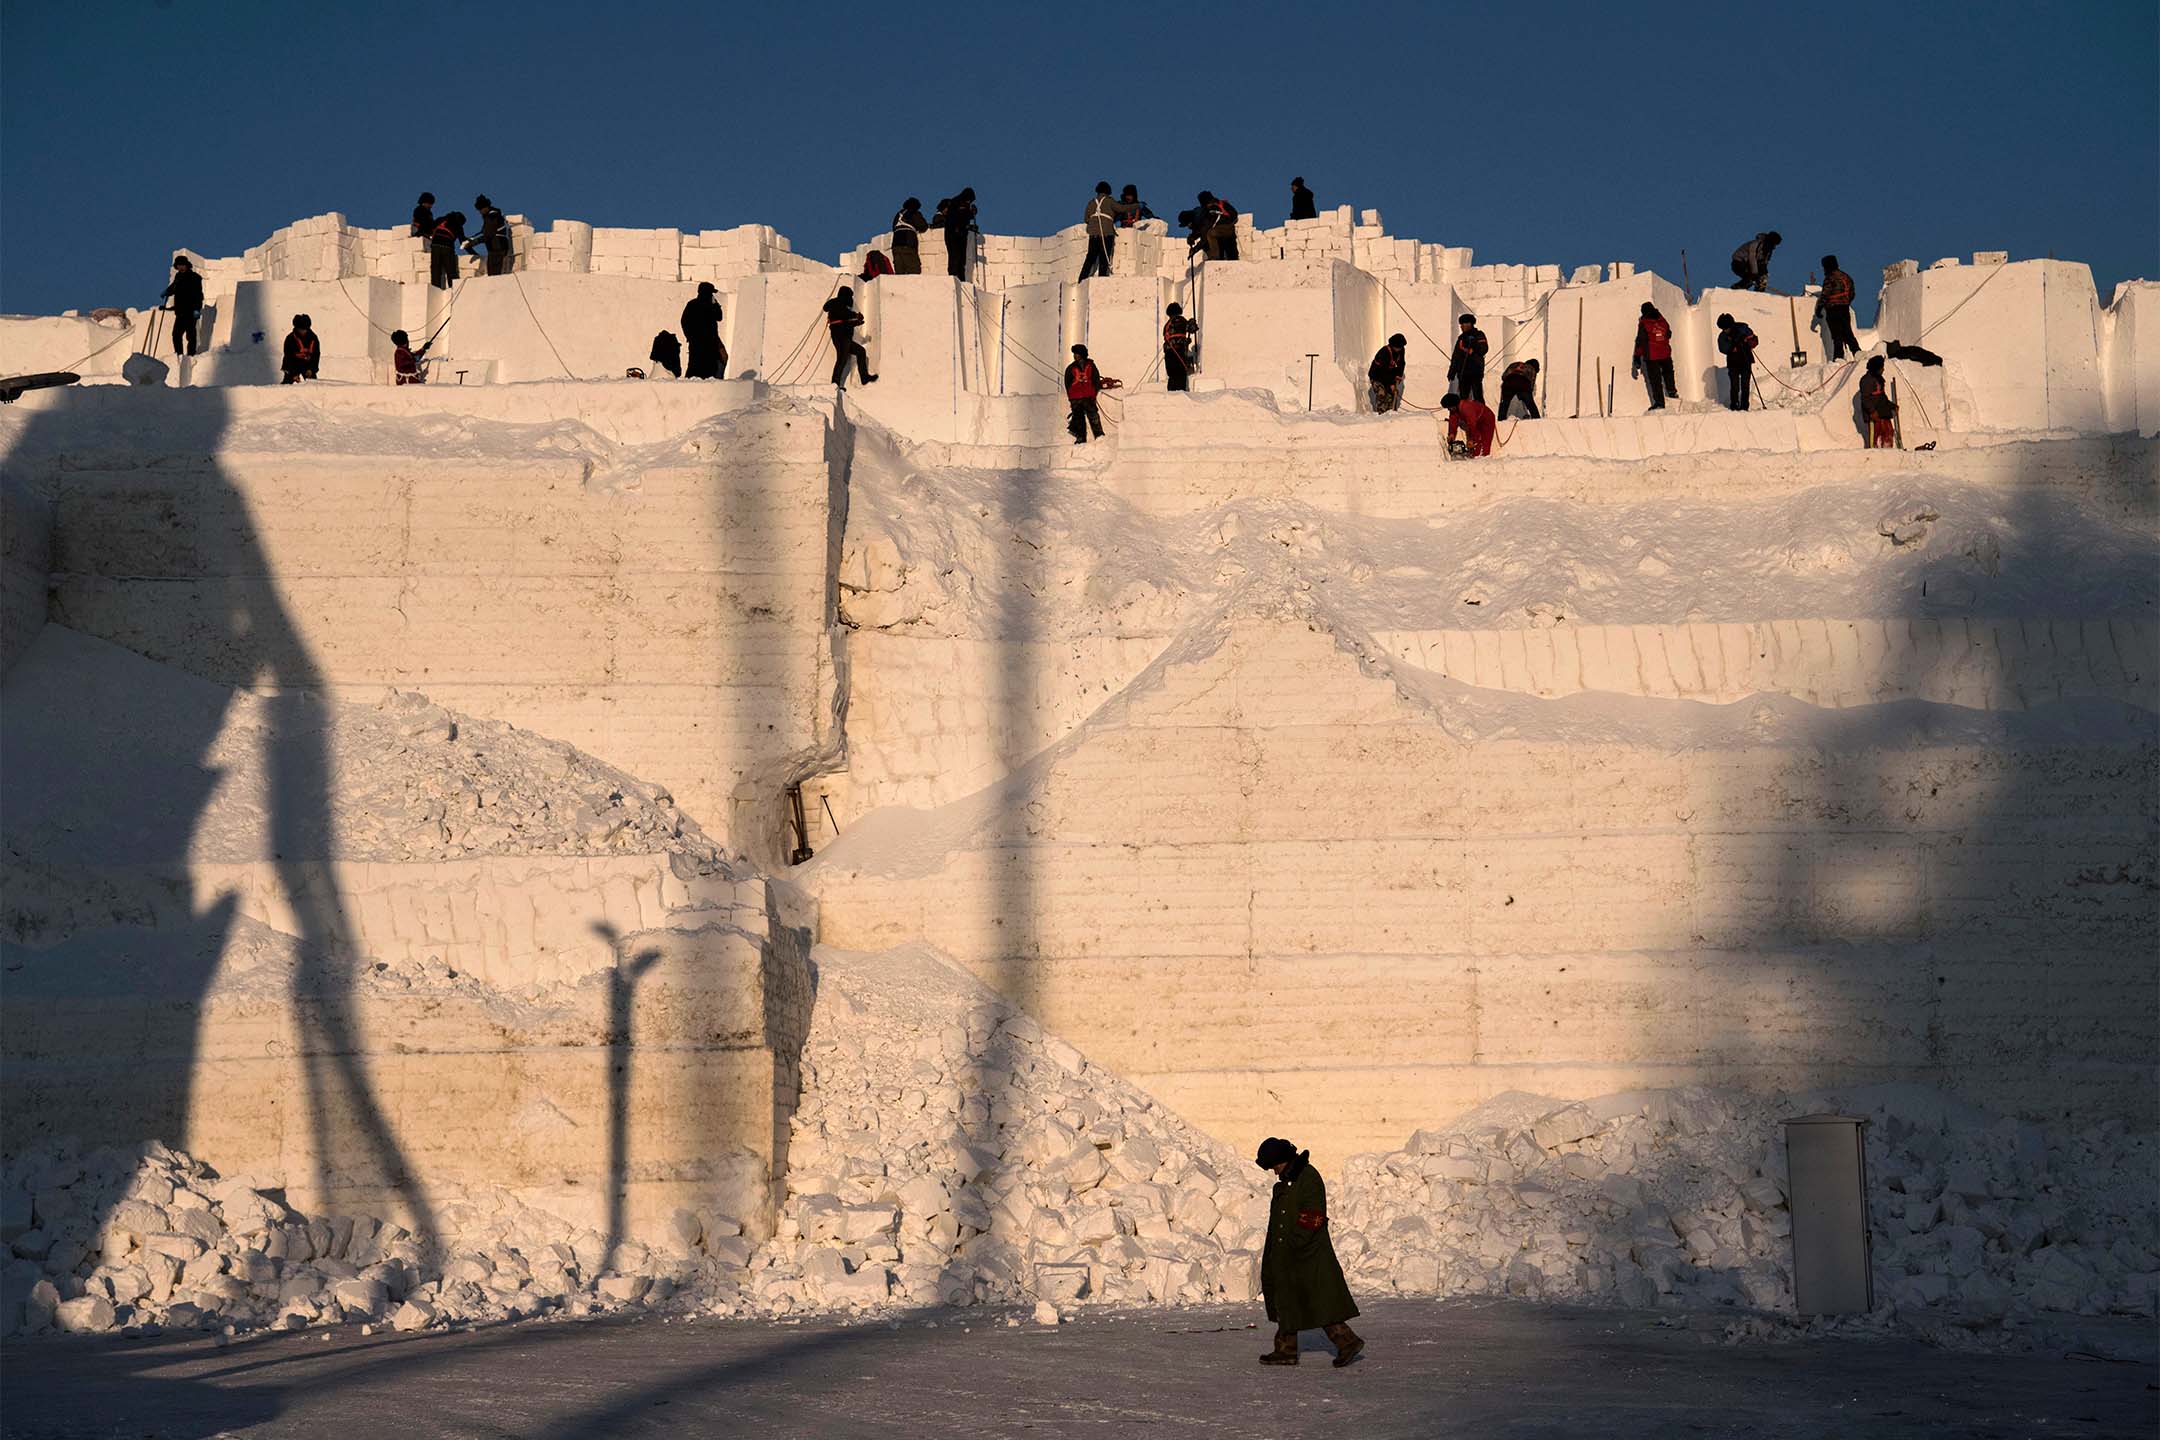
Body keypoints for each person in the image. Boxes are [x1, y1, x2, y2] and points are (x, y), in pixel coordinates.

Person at [1254, 1137, 1363, 1368]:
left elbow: (1313, 1215)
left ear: (1282, 1160)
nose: (1274, 1172)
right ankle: (1285, 1350)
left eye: (1274, 1166)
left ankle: (1347, 1342)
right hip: (1287, 1254)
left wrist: (1295, 1244)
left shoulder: (1308, 1177)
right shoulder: (1284, 1183)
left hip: (1308, 1255)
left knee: (1319, 1301)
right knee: (1286, 1300)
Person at [1062, 344, 1118, 443]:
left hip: (1088, 396)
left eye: (1077, 353)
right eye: (1074, 354)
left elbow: (1096, 380)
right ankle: (1081, 438)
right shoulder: (1071, 368)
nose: (1075, 356)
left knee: (1093, 416)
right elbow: (1068, 383)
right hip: (1076, 397)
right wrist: (1071, 397)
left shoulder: (1091, 366)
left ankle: (1099, 435)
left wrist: (1093, 393)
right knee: (1079, 418)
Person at [822, 286, 876, 387]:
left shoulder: (839, 307)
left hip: (843, 336)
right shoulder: (837, 303)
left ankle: (864, 377)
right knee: (842, 359)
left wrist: (857, 322)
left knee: (860, 351)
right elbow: (842, 314)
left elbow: (844, 322)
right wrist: (855, 315)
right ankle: (835, 384)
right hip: (841, 337)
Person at [1632, 301, 1678, 409]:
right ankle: (1672, 393)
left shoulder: (1644, 323)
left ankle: (1659, 403)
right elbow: (1669, 334)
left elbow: (1641, 341)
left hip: (1652, 356)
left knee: (1655, 380)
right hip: (1665, 353)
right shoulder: (1662, 319)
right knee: (1668, 374)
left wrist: (1637, 357)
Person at [1814, 254, 1860, 361]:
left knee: (1837, 335)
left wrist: (1819, 308)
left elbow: (1825, 294)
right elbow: (1852, 293)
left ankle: (1838, 358)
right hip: (1844, 308)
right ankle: (1857, 352)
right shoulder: (1846, 277)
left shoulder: (1829, 278)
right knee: (1848, 333)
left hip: (1832, 310)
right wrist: (1846, 302)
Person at [682, 281, 727, 379]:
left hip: (696, 342)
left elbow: (684, 322)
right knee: (711, 366)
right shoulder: (710, 305)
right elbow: (719, 316)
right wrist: (716, 304)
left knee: (695, 366)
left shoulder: (692, 304)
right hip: (710, 342)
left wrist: (690, 337)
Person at [160, 256, 204, 357]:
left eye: (182, 265)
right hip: (180, 312)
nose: (180, 267)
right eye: (178, 265)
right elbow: (173, 287)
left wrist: (197, 309)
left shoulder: (195, 277)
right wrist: (167, 292)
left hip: (190, 311)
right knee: (176, 334)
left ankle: (191, 355)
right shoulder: (178, 277)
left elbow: (198, 295)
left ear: (186, 265)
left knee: (190, 335)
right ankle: (179, 355)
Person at [1716, 313, 1759, 410]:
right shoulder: (1722, 336)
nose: (1724, 330)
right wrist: (1733, 346)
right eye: (1723, 329)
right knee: (1734, 385)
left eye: (1726, 328)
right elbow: (1722, 348)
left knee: (1745, 384)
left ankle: (1744, 406)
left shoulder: (1743, 329)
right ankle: (1734, 405)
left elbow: (1754, 341)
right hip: (1733, 363)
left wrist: (1745, 342)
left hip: (1745, 360)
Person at [1080, 182, 1119, 281]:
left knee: (1090, 257)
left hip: (1093, 234)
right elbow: (1121, 209)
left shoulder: (1091, 202)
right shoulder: (1109, 201)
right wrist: (1136, 206)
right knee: (1104, 258)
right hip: (1106, 233)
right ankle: (1102, 280)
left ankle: (1081, 279)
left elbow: (1086, 218)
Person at [1447, 313, 1489, 404]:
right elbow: (1456, 356)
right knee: (1463, 396)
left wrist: (1472, 344)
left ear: (1470, 324)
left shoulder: (1479, 335)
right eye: (1461, 325)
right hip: (1463, 373)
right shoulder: (1461, 338)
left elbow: (1483, 349)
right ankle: (1464, 415)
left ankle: (1481, 414)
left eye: (1463, 324)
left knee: (1477, 395)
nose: (1461, 327)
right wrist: (1452, 371)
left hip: (1475, 371)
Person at [1859, 355, 1898, 447]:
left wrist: (1891, 406)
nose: (1883, 370)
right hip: (1874, 415)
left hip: (1883, 412)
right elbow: (1865, 398)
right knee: (1875, 438)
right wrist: (1872, 411)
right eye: (1881, 368)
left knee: (1888, 434)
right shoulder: (1866, 380)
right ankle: (1875, 456)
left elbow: (1882, 397)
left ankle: (1888, 454)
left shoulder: (1879, 379)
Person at [1442, 391, 1496, 456]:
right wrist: (1451, 433)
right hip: (1477, 420)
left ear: (1453, 405)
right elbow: (1453, 421)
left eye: (1449, 407)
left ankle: (1483, 456)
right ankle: (1475, 454)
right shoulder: (1454, 409)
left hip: (1487, 419)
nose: (1448, 409)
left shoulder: (1467, 408)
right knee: (1475, 441)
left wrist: (1471, 440)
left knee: (1484, 441)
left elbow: (1472, 425)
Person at [940, 188, 977, 280]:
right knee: (954, 256)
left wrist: (972, 214)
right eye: (969, 199)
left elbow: (965, 217)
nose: (969, 201)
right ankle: (953, 276)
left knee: (962, 258)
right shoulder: (956, 202)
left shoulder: (965, 205)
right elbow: (954, 217)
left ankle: (961, 278)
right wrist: (958, 227)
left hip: (962, 234)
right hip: (953, 233)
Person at [471, 196, 513, 276]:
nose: (480, 212)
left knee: (494, 272)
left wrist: (475, 241)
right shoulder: (493, 215)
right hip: (496, 246)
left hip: (497, 247)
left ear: (486, 207)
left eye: (481, 209)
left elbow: (489, 234)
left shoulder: (491, 216)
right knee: (492, 270)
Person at [1162, 302, 1199, 392]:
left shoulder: (1166, 325)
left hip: (1168, 354)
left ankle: (1171, 394)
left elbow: (1173, 337)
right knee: (1180, 374)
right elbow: (1192, 328)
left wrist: (1185, 341)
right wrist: (1192, 322)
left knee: (1172, 376)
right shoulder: (1180, 320)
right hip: (1178, 352)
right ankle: (1180, 395)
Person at [428, 211, 468, 290]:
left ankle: (435, 289)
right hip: (448, 247)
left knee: (436, 269)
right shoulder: (459, 226)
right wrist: (473, 252)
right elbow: (463, 242)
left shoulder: (441, 219)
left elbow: (430, 228)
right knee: (451, 270)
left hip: (435, 246)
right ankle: (453, 289)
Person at [890, 198, 930, 275]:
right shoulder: (914, 212)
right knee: (914, 270)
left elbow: (893, 227)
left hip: (896, 245)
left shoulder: (898, 214)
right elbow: (923, 226)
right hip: (908, 243)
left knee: (899, 272)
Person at [1368, 333, 1407, 413]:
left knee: (1392, 393)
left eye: (1401, 347)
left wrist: (1398, 376)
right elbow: (1383, 371)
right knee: (1382, 393)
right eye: (1398, 347)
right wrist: (1391, 384)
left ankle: (1391, 412)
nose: (1400, 349)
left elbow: (1401, 364)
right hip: (1377, 376)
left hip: (1389, 374)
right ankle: (1382, 413)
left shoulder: (1401, 350)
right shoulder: (1384, 352)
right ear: (1393, 345)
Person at [1197, 191, 1239, 260]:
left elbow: (1206, 226)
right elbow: (1235, 215)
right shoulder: (1222, 203)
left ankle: (1215, 258)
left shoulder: (1212, 208)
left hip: (1222, 232)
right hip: (1227, 233)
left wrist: (1197, 247)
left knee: (1210, 234)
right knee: (1231, 256)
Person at [281, 314, 320, 384]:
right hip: (293, 364)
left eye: (305, 329)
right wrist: (293, 374)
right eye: (301, 329)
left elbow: (316, 355)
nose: (303, 331)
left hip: (307, 364)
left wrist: (312, 369)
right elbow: (288, 357)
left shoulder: (313, 338)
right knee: (287, 383)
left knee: (313, 383)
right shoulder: (290, 339)